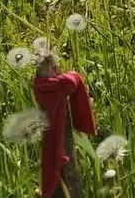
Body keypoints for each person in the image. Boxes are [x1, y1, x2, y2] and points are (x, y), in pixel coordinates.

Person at [33, 52, 96, 198]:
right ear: (56, 69)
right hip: (61, 151)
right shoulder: (62, 86)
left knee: (65, 172)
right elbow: (72, 84)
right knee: (67, 174)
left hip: (58, 146)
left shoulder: (44, 87)